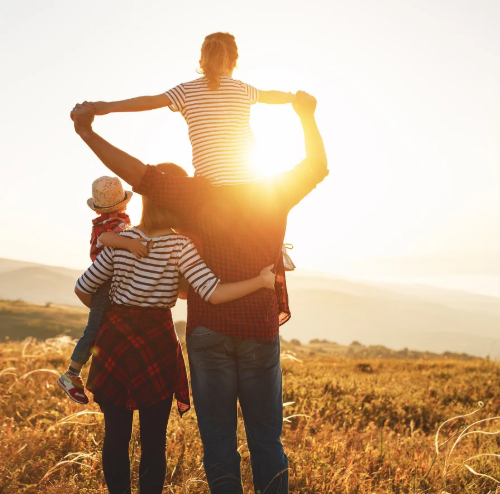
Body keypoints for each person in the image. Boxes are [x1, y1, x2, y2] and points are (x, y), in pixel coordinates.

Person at [70, 91, 327, 493]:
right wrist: (306, 115)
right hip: (255, 327)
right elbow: (316, 166)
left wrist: (87, 131)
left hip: (201, 331)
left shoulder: (189, 197)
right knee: (264, 438)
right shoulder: (271, 191)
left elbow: (138, 176)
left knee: (217, 441)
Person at [74, 161, 276, 494]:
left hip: (115, 340)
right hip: (156, 341)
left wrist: (112, 315)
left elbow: (83, 287)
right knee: (154, 440)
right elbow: (213, 293)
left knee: (115, 435)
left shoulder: (120, 241)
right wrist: (261, 281)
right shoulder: (181, 245)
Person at [87, 32, 295, 186]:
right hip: (252, 181)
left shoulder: (185, 91)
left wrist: (107, 107)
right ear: (234, 62)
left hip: (210, 185)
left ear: (201, 62)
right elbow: (271, 96)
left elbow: (149, 102)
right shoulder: (242, 88)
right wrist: (294, 98)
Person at [57, 176, 151, 404]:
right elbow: (106, 238)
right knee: (94, 329)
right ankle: (71, 373)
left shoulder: (114, 220)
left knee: (104, 327)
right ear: (124, 202)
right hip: (105, 282)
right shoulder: (110, 224)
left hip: (110, 280)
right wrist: (130, 244)